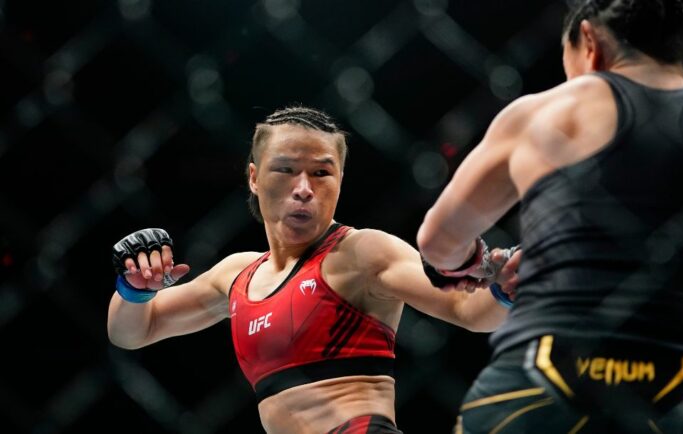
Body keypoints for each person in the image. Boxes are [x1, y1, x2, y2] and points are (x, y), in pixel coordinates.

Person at [417, 0, 683, 433]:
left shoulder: (543, 112)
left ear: (590, 43)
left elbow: (436, 243)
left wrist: (480, 263)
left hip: (536, 385)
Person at [107, 106, 520, 434]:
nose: (304, 187)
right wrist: (135, 290)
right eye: (285, 169)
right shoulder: (236, 275)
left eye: (321, 172)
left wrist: (506, 288)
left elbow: (467, 312)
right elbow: (132, 332)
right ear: (254, 178)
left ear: (340, 180)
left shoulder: (361, 253)